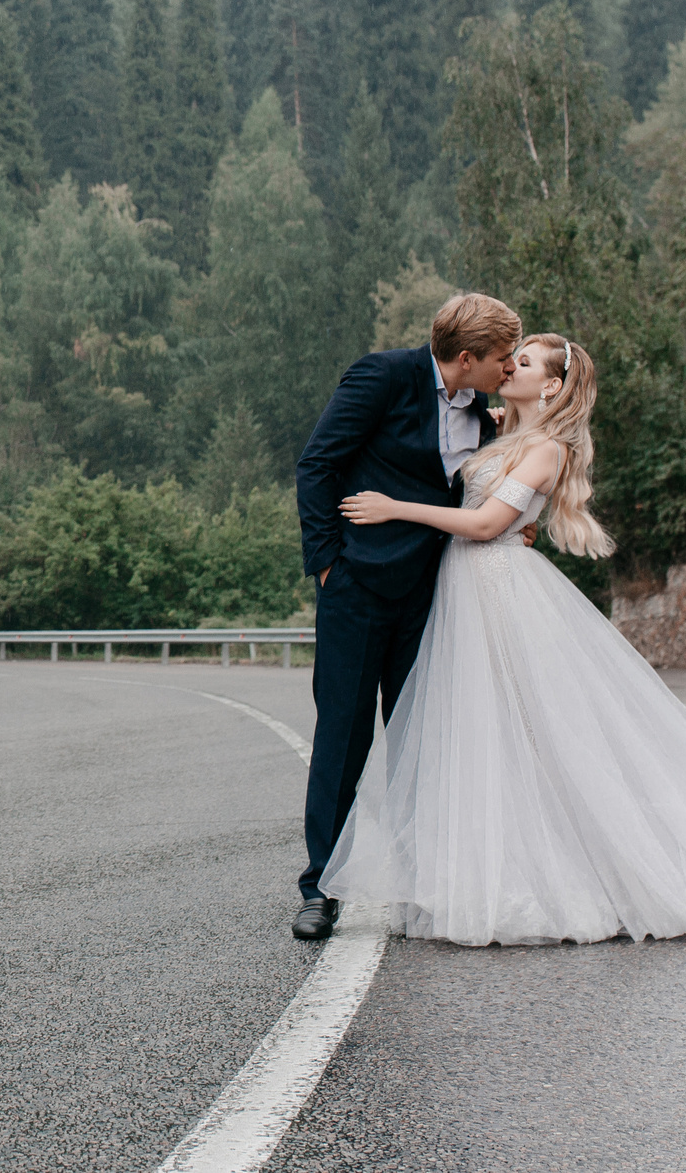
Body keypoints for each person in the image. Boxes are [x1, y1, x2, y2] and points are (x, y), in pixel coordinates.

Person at [320, 334, 686, 944]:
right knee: (484, 734)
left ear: (550, 385)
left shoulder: (547, 449)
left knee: (533, 731)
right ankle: (483, 868)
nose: (507, 366)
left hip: (498, 590)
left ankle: (564, 872)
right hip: (463, 590)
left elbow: (489, 524)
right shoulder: (503, 432)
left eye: (521, 362)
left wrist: (397, 508)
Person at [288, 292, 520, 941]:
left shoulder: (483, 413)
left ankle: (421, 882)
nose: (507, 368)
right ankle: (320, 888)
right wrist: (330, 563)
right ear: (466, 357)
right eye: (501, 357)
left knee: (424, 737)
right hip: (357, 587)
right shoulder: (383, 376)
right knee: (344, 736)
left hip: (433, 594)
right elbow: (318, 463)